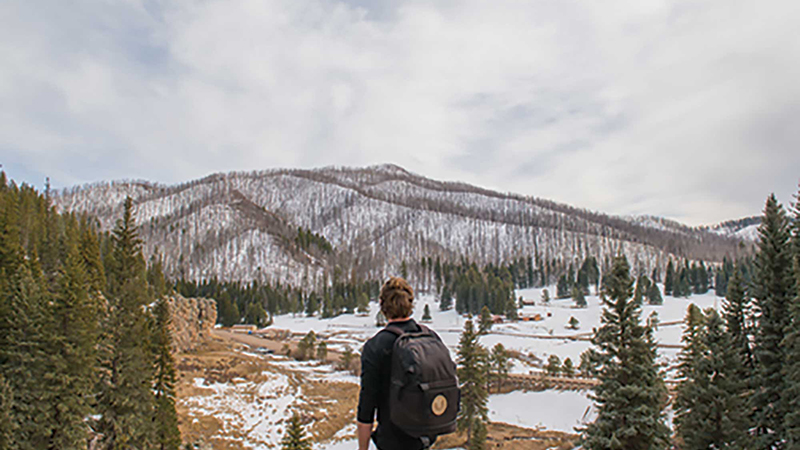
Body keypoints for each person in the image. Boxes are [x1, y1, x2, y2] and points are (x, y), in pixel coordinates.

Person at [357, 277, 434, 450]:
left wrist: (363, 448)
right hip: (424, 439)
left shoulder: (376, 346)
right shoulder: (428, 336)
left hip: (392, 442)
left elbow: (366, 409)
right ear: (410, 304)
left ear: (382, 306)